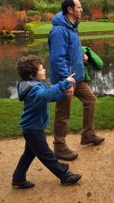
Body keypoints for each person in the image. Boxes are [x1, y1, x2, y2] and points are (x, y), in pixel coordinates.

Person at [11, 55, 82, 189]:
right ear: (32, 75)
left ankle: (18, 178)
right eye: (41, 69)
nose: (44, 71)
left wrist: (63, 95)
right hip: (33, 130)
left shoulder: (34, 86)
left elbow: (47, 98)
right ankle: (64, 175)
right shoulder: (34, 90)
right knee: (47, 155)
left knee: (29, 154)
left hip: (32, 129)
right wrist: (64, 83)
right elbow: (45, 95)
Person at [48, 0, 105, 161]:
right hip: (66, 79)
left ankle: (87, 135)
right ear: (70, 10)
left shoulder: (72, 27)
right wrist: (66, 82)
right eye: (79, 7)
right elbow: (58, 59)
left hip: (77, 77)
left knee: (90, 100)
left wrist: (82, 57)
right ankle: (59, 147)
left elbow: (71, 51)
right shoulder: (59, 30)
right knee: (63, 112)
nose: (82, 10)